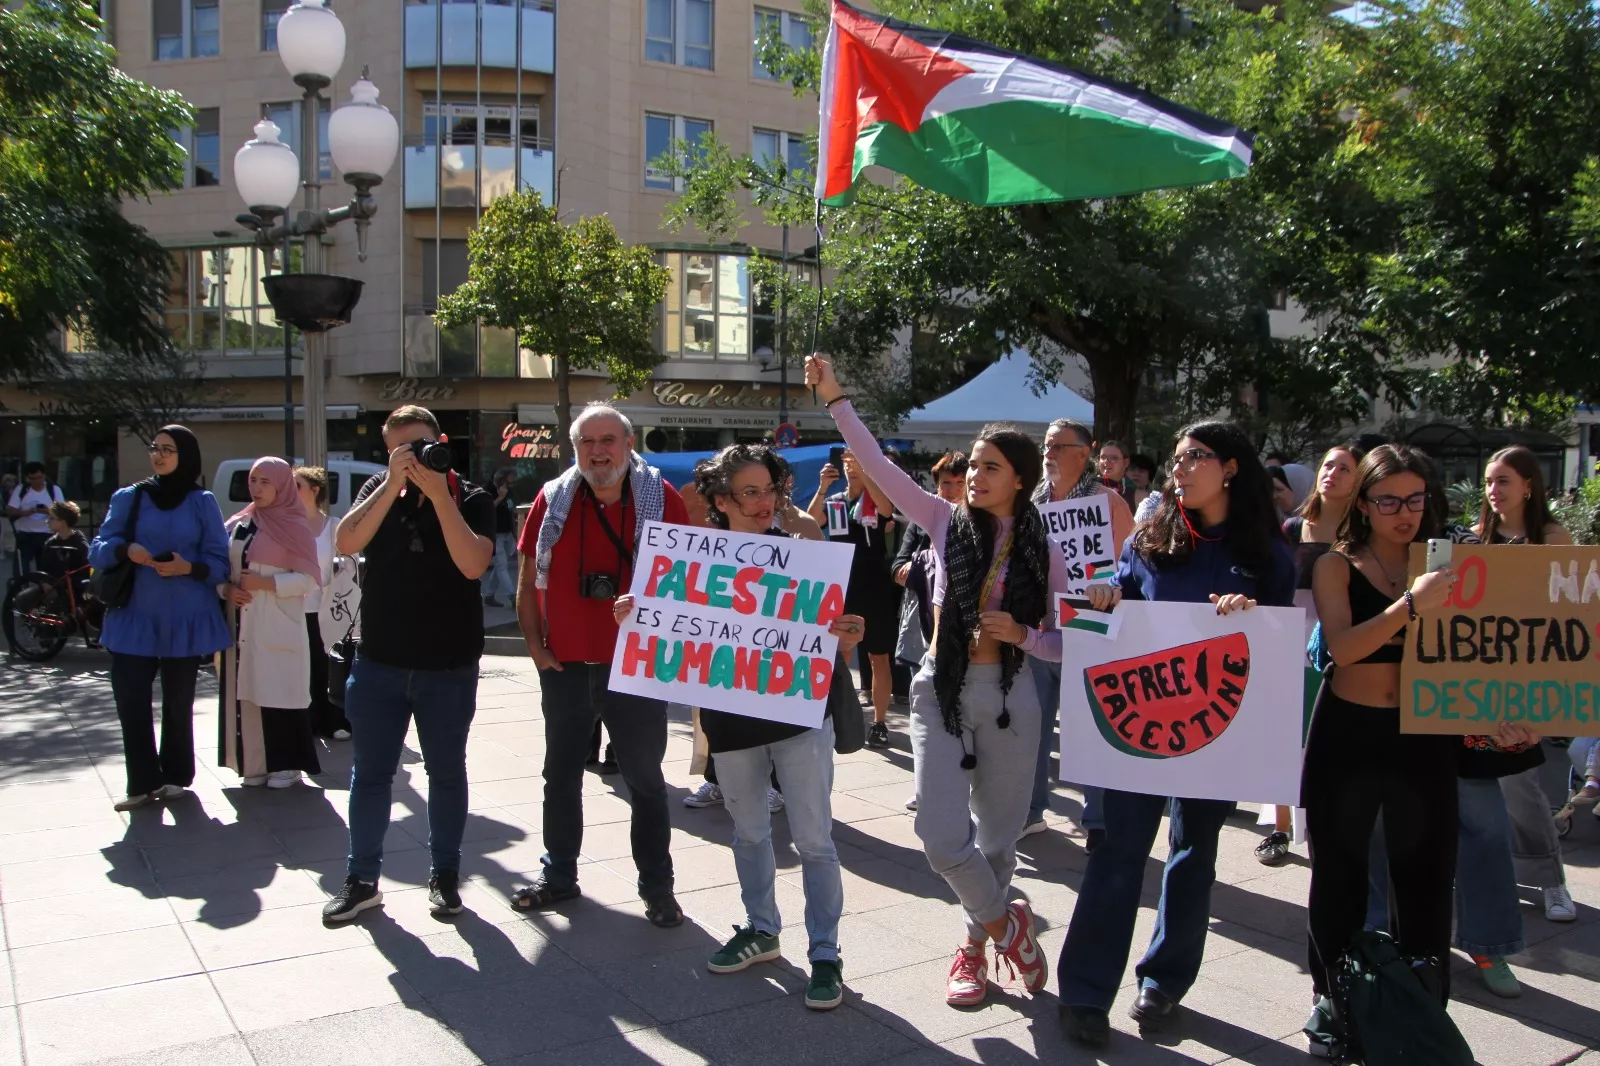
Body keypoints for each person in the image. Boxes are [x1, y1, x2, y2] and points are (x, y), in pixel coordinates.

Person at [807, 354, 1054, 1008]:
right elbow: (881, 469)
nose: (974, 474)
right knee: (942, 838)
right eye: (971, 464)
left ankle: (973, 949)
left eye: (989, 466)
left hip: (1012, 699)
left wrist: (1023, 636)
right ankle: (1010, 927)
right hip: (937, 696)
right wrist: (837, 399)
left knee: (998, 842)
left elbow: (1066, 643)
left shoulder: (1040, 546)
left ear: (1021, 480)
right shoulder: (942, 522)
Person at [1056, 420, 1296, 1048]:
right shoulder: (1148, 539)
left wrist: (1255, 619)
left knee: (1193, 856)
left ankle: (1163, 982)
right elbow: (1117, 613)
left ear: (1231, 468)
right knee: (1118, 853)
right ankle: (1084, 992)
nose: (1181, 468)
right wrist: (1104, 596)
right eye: (1178, 459)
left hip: (1216, 733)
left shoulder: (1267, 554)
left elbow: (1276, 644)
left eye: (1197, 457)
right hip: (1142, 728)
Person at [620, 442, 865, 1010]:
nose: (764, 502)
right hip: (732, 723)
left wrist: (847, 632)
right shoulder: (691, 566)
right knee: (750, 831)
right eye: (749, 492)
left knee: (814, 841)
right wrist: (638, 618)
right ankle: (762, 929)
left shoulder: (803, 559)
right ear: (721, 500)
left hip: (802, 716)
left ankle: (825, 954)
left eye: (771, 490)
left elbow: (838, 627)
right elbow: (666, 635)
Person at [1300, 444, 1461, 1055]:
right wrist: (1411, 604)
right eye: (1389, 499)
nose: (1404, 512)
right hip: (1349, 733)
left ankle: (1420, 999)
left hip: (1424, 735)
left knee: (1425, 872)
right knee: (1338, 873)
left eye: (1415, 499)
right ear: (1364, 503)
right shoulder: (1336, 566)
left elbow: (1487, 653)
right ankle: (1334, 1002)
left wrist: (1505, 714)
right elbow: (1343, 648)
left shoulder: (1447, 562)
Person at [511, 402, 688, 928]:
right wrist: (536, 648)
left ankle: (658, 888)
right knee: (559, 778)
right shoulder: (553, 498)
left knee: (646, 782)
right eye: (587, 441)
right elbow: (527, 581)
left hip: (634, 667)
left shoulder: (661, 498)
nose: (598, 450)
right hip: (564, 666)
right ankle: (559, 875)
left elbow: (687, 584)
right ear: (576, 448)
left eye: (609, 439)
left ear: (629, 445)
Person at [324, 405, 496, 922]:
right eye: (401, 450)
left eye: (421, 446)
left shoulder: (472, 496)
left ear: (440, 440)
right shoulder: (376, 488)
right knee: (371, 775)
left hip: (448, 664)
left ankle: (444, 875)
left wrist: (439, 495)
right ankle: (362, 880)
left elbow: (472, 564)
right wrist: (390, 485)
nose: (413, 458)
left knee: (447, 774)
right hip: (380, 661)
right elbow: (346, 541)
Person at [90, 427, 232, 812]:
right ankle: (141, 782)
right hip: (135, 617)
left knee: (178, 702)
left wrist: (189, 567)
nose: (159, 455)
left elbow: (220, 562)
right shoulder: (129, 498)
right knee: (131, 699)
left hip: (186, 618)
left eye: (168, 449)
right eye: (155, 448)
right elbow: (97, 550)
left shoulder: (201, 501)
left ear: (185, 454)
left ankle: (175, 777)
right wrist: (124, 549)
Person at [1473, 445, 1578, 924]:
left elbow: (1573, 612)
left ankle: (1552, 881)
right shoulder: (1477, 538)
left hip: (1530, 678)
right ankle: (1497, 874)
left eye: (1504, 481)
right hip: (1482, 678)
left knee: (1522, 783)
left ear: (1529, 486)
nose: (1494, 491)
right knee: (1482, 781)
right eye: (1490, 482)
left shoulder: (1554, 538)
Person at [1024, 420, 1135, 845]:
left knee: (1088, 728)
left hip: (1090, 631)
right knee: (1033, 727)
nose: (1048, 452)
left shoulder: (1108, 503)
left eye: (1057, 445)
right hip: (1039, 630)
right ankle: (1031, 811)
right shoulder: (1032, 502)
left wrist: (1110, 586)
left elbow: (1129, 567)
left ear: (1083, 454)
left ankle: (1098, 821)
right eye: (1045, 444)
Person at [1254, 444, 1363, 867]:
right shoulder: (1293, 527)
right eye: (1328, 465)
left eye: (1344, 468)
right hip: (1291, 641)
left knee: (1328, 739)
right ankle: (1279, 827)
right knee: (1282, 735)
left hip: (1341, 643)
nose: (1332, 473)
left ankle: (1328, 826)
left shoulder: (1363, 533)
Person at [218, 457, 323, 789]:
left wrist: (266, 585)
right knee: (248, 693)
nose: (257, 488)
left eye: (266, 481)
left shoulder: (294, 525)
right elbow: (221, 570)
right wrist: (227, 590)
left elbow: (309, 580)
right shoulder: (241, 523)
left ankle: (288, 764)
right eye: (253, 481)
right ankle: (255, 763)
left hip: (278, 623)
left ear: (282, 484)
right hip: (242, 624)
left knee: (280, 693)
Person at [809, 449, 896, 749]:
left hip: (876, 589)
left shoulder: (876, 498)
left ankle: (880, 722)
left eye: (855, 465)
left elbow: (886, 508)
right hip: (844, 589)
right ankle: (842, 716)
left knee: (878, 657)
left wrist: (867, 471)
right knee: (841, 655)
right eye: (847, 465)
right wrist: (822, 487)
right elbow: (809, 523)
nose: (851, 470)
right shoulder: (836, 503)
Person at [295, 467, 350, 741]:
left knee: (327, 664)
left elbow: (346, 566)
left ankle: (334, 720)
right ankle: (308, 720)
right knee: (301, 666)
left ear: (314, 490)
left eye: (298, 486)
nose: (292, 492)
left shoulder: (334, 526)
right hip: (294, 607)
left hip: (327, 607)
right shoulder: (288, 526)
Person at [7, 461, 67, 576]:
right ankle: (21, 589)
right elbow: (10, 509)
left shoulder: (53, 490)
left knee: (47, 570)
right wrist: (25, 512)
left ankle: (44, 590)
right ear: (28, 478)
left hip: (47, 534)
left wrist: (46, 511)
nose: (36, 482)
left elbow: (62, 512)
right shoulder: (21, 490)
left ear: (44, 476)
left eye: (39, 478)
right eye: (32, 479)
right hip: (25, 535)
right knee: (21, 569)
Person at [484, 469, 518, 607]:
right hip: (495, 532)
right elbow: (486, 509)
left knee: (500, 565)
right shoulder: (488, 490)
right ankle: (512, 596)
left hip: (507, 532)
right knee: (502, 565)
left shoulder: (509, 491)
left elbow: (511, 508)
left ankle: (489, 594)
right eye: (508, 481)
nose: (511, 485)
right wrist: (500, 497)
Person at [1096, 440, 1136, 508]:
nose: (1106, 461)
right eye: (1103, 457)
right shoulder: (1089, 484)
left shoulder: (1130, 488)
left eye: (1113, 458)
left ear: (1126, 462)